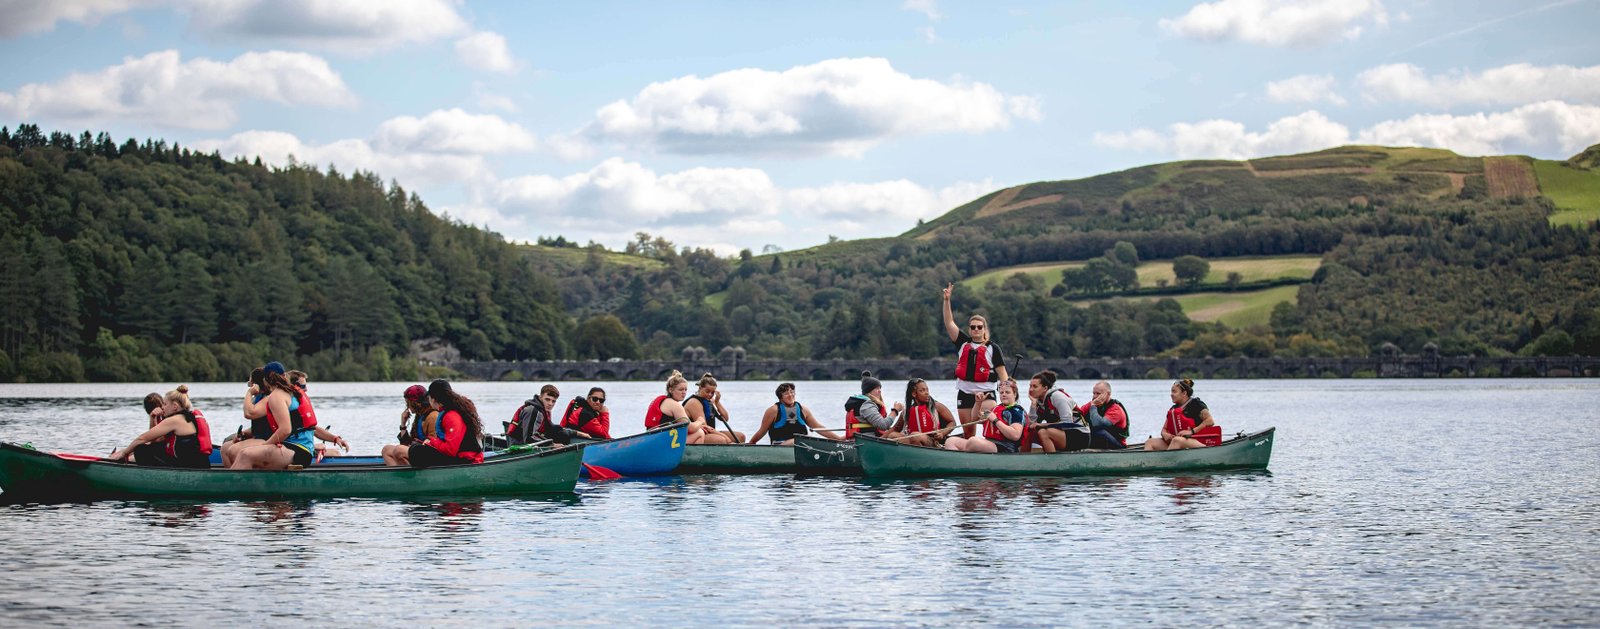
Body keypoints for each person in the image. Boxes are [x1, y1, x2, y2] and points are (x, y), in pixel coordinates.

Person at [942, 282, 1010, 438]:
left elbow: (1002, 374)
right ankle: (970, 451)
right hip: (964, 393)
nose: (976, 330)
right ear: (969, 329)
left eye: (979, 327)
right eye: (973, 327)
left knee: (985, 420)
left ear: (985, 329)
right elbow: (949, 322)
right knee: (968, 433)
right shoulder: (962, 343)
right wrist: (947, 300)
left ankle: (994, 445)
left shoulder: (993, 348)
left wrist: (1008, 393)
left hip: (986, 394)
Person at [231, 361, 320, 470]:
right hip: (302, 449)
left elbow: (285, 430)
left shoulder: (276, 396)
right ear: (284, 375)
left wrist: (265, 445)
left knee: (245, 455)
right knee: (248, 453)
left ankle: (231, 485)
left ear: (265, 380)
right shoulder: (293, 391)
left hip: (297, 451)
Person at [111, 385, 212, 468]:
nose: (162, 407)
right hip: (202, 464)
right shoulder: (189, 417)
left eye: (165, 404)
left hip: (189, 467)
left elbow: (142, 438)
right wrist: (153, 418)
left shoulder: (174, 420)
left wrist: (123, 454)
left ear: (175, 406)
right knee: (151, 448)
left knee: (140, 449)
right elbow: (155, 441)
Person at [408, 379, 485, 467]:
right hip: (459, 457)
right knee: (416, 448)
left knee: (417, 451)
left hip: (467, 460)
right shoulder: (446, 412)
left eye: (429, 397)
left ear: (433, 399)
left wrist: (431, 442)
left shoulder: (451, 416)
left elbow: (451, 450)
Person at [946, 379, 1028, 453]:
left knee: (973, 441)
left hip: (1005, 448)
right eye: (1001, 392)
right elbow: (974, 419)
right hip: (990, 444)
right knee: (951, 441)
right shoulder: (997, 409)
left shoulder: (1016, 412)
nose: (1004, 395)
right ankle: (961, 463)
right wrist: (978, 403)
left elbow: (1015, 435)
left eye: (1007, 392)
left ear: (1015, 394)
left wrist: (995, 420)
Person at [646, 371, 728, 444]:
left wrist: (717, 402)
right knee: (699, 433)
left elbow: (725, 418)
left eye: (685, 389)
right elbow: (691, 428)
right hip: (663, 441)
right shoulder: (675, 405)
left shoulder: (664, 401)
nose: (684, 392)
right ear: (670, 390)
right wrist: (699, 421)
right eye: (680, 390)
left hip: (656, 438)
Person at [748, 382, 842, 445]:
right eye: (786, 393)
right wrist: (751, 443)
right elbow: (762, 431)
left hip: (803, 444)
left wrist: (839, 439)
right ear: (780, 397)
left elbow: (818, 428)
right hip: (780, 445)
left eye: (792, 392)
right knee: (805, 440)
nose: (790, 395)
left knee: (810, 440)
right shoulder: (773, 410)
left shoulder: (803, 410)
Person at [1146, 379, 1222, 451]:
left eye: (1174, 392)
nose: (1171, 394)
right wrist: (1165, 434)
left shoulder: (1196, 404)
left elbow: (1210, 421)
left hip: (1198, 442)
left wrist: (1191, 431)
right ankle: (1147, 464)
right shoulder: (1173, 409)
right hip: (1177, 443)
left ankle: (1167, 463)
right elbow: (1164, 429)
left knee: (1177, 440)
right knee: (1150, 442)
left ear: (1184, 393)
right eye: (1171, 392)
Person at [288, 370, 348, 460]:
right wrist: (315, 446)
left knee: (336, 453)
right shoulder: (289, 405)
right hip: (298, 450)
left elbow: (312, 428)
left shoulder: (300, 402)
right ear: (294, 385)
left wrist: (335, 439)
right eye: (303, 386)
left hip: (308, 448)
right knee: (335, 455)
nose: (306, 389)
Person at [1028, 370, 1090, 453]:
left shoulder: (1057, 397)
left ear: (1045, 388)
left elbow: (1067, 423)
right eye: (1030, 386)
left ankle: (1053, 463)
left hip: (1079, 435)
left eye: (1034, 386)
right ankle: (1023, 458)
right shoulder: (1039, 401)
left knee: (1043, 432)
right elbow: (1031, 425)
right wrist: (1033, 405)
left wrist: (1043, 425)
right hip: (1063, 434)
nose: (1031, 389)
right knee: (1029, 432)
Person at [220, 367, 270, 467]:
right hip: (257, 436)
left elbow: (248, 414)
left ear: (255, 384)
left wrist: (249, 393)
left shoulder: (266, 399)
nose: (248, 382)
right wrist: (244, 433)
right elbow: (260, 425)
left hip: (267, 439)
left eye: (250, 379)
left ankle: (243, 474)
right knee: (225, 447)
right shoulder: (257, 398)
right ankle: (233, 476)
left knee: (233, 449)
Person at [382, 385, 436, 466]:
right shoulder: (419, 416)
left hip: (429, 455)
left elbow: (434, 444)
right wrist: (403, 425)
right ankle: (399, 477)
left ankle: (412, 477)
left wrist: (417, 445)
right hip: (417, 451)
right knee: (387, 450)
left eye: (408, 403)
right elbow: (405, 445)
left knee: (399, 450)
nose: (407, 406)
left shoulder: (432, 416)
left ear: (416, 403)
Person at [684, 373, 745, 443]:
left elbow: (725, 418)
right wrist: (728, 440)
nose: (710, 395)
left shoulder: (708, 401)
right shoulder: (694, 402)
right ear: (700, 388)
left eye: (712, 392)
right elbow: (706, 427)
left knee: (741, 436)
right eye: (707, 391)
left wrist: (717, 402)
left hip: (711, 431)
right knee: (721, 440)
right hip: (698, 434)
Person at [897, 378, 957, 448]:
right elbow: (895, 429)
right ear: (914, 394)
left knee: (915, 436)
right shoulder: (907, 411)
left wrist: (942, 433)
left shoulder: (937, 406)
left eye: (927, 390)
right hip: (913, 439)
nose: (927, 393)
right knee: (892, 436)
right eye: (922, 391)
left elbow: (952, 422)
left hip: (933, 442)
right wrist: (882, 439)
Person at [844, 372, 904, 439]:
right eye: (877, 388)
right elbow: (883, 425)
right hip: (866, 441)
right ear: (869, 391)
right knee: (898, 436)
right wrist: (895, 411)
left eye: (880, 388)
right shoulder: (866, 405)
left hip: (863, 439)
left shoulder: (861, 402)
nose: (880, 391)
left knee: (899, 435)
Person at [1079, 380, 1130, 450]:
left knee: (1098, 432)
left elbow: (1098, 424)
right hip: (1100, 441)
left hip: (1118, 445)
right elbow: (1078, 414)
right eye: (1093, 393)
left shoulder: (1116, 409)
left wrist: (1093, 407)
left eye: (1098, 393)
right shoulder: (1092, 404)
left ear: (1108, 394)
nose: (1094, 396)